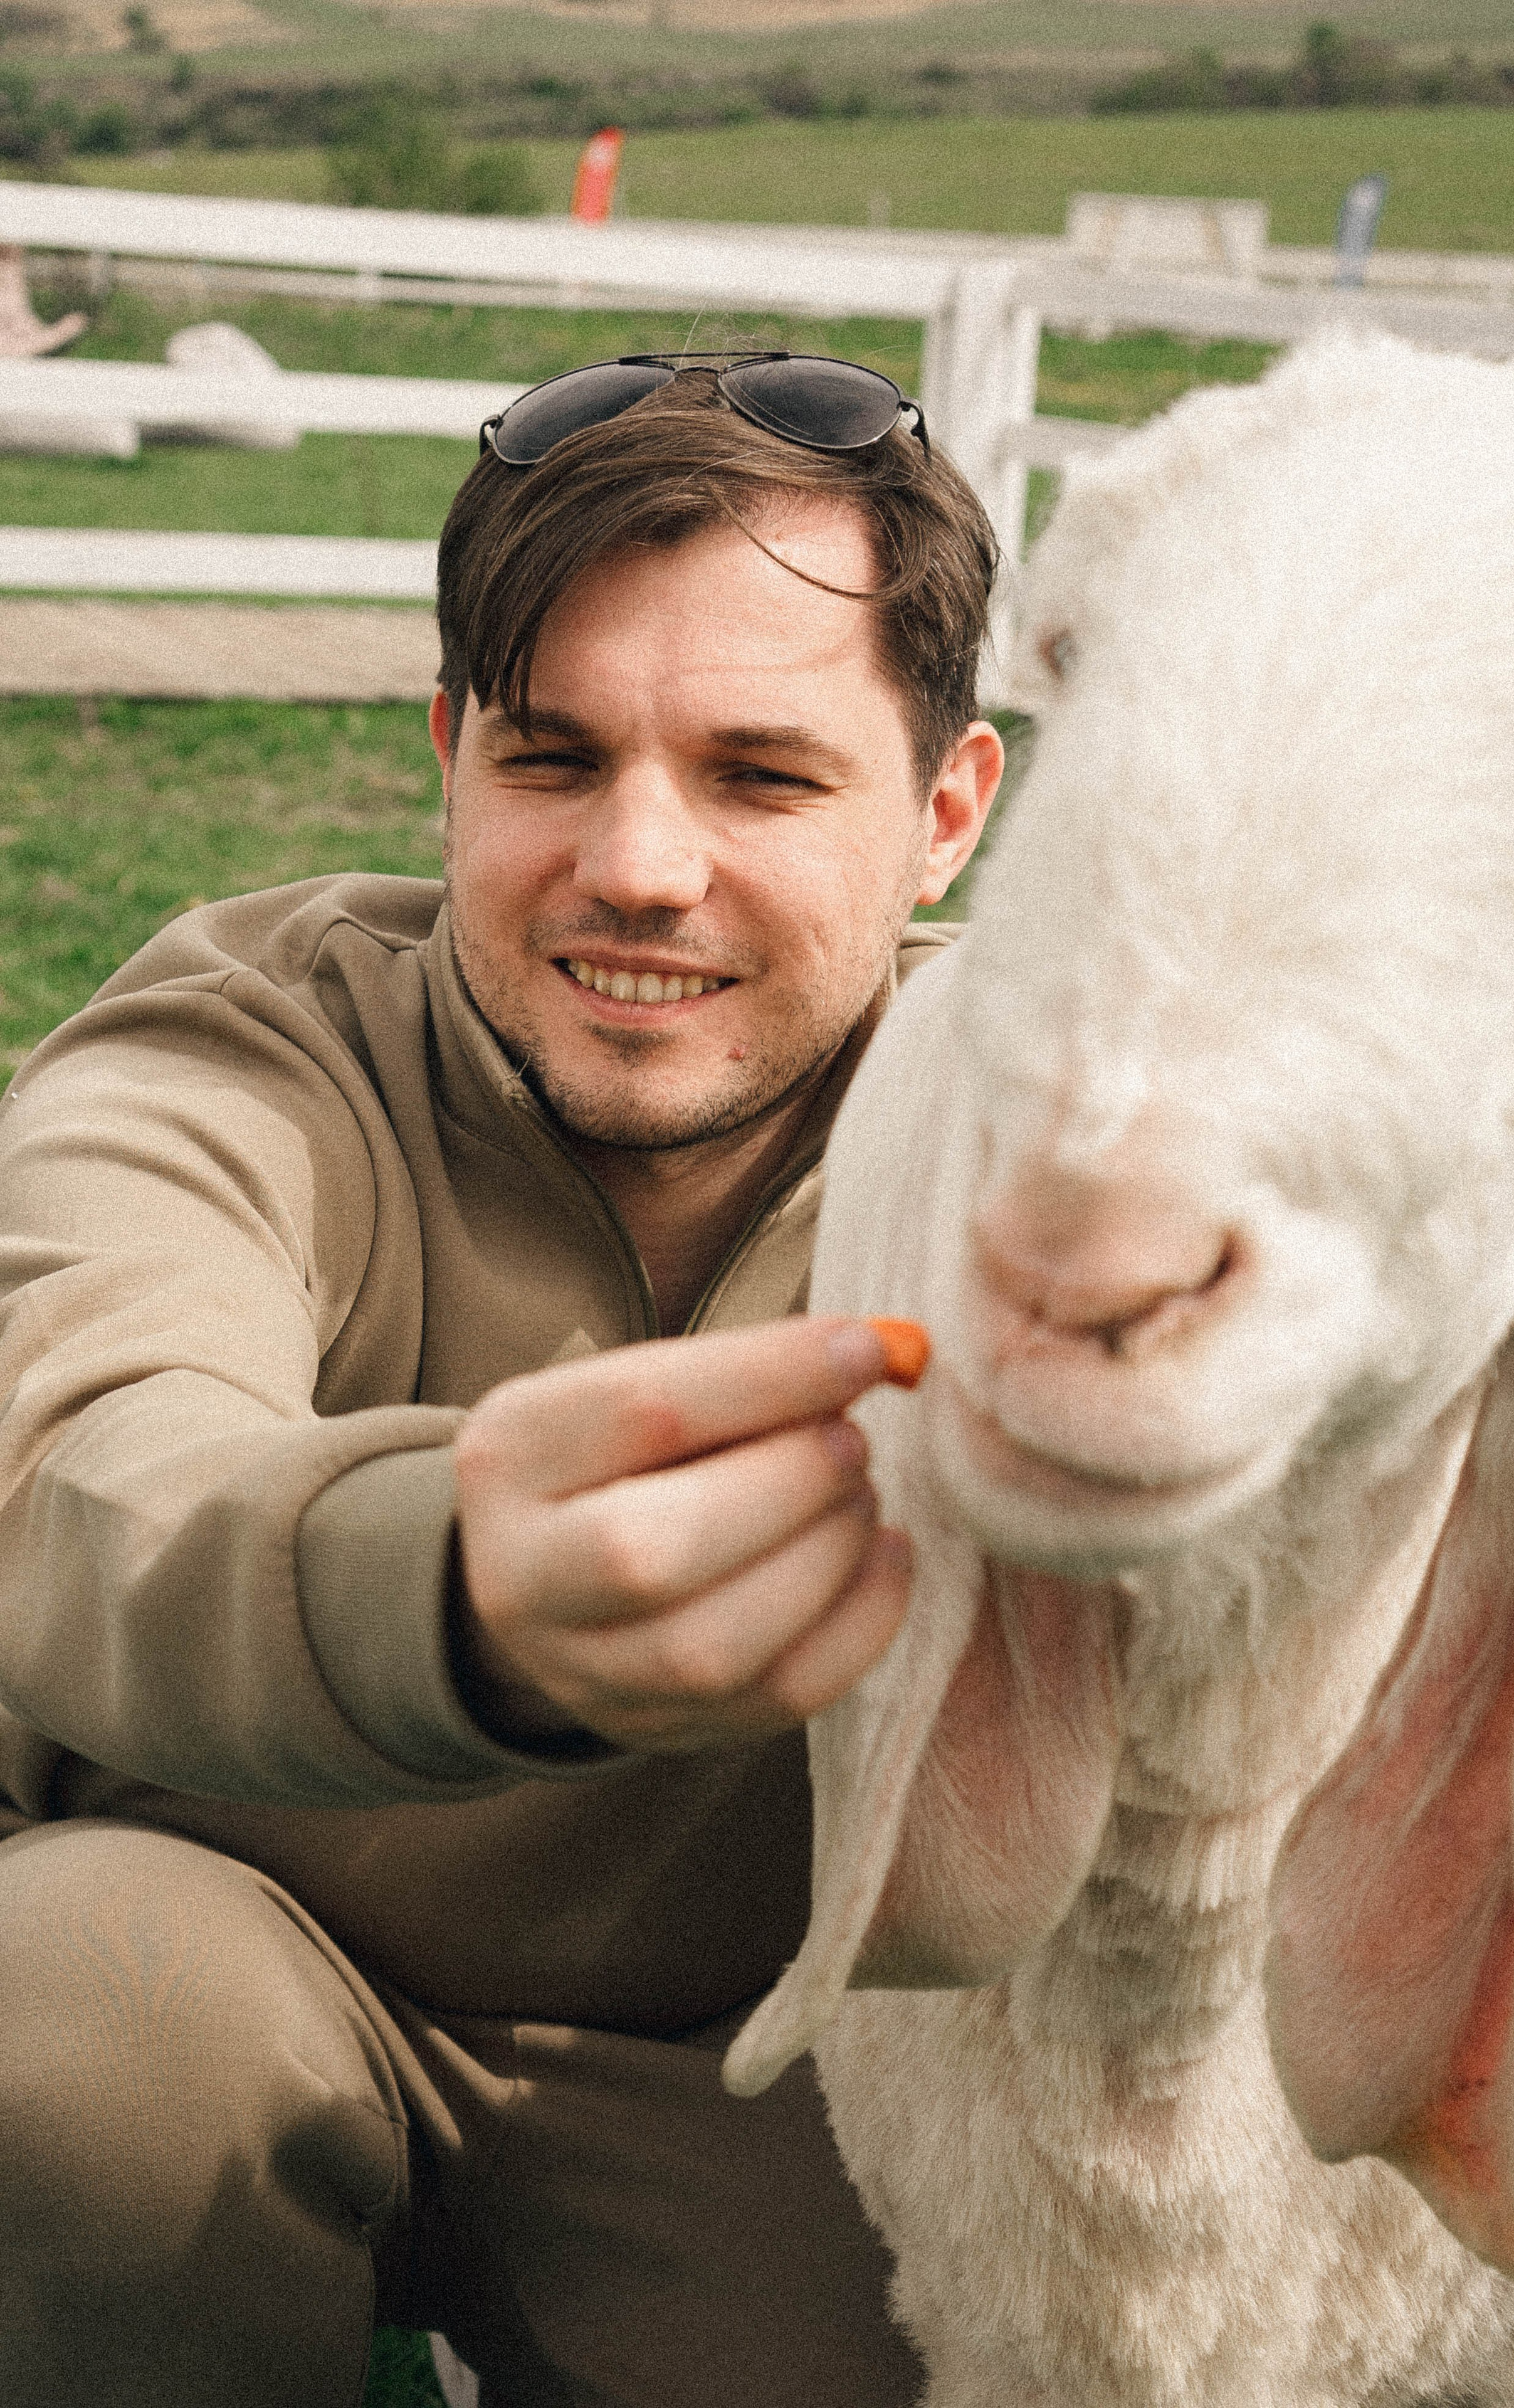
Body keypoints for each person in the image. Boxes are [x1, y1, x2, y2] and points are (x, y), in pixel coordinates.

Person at [0, 352, 1004, 2408]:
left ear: (948, 814)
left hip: (781, 2077)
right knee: (68, 2006)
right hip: (233, 1985)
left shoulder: (1060, 1134)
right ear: (448, 757)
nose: (641, 867)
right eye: (555, 760)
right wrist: (461, 1592)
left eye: (761, 776)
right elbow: (89, 1484)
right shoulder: (240, 1048)